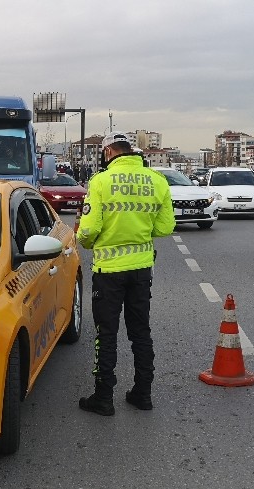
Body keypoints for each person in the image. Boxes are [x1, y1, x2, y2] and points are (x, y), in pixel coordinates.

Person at [75, 132, 174, 416]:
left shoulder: (101, 182)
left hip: (108, 272)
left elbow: (89, 231)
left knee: (106, 334)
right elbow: (166, 228)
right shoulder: (157, 180)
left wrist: (86, 239)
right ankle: (143, 394)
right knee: (140, 332)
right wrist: (140, 235)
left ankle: (103, 397)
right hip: (142, 270)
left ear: (108, 153)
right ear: (132, 152)